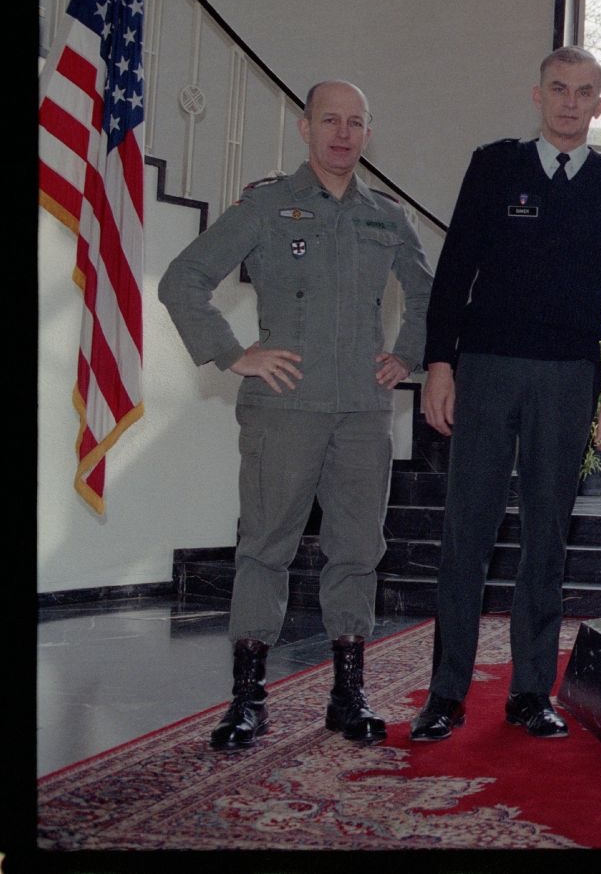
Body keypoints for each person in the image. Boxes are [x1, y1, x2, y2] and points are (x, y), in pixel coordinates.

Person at [159, 80, 433, 750]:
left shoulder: (387, 217)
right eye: (330, 120)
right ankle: (248, 698)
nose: (343, 134)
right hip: (283, 410)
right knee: (264, 548)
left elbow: (429, 292)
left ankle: (349, 693)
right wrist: (234, 354)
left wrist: (406, 358)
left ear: (370, 133)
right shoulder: (268, 207)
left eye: (356, 122)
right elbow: (183, 280)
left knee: (358, 552)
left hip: (363, 415)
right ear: (304, 127)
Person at [410, 46, 601, 742]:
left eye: (585, 92)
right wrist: (439, 365)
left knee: (547, 536)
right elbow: (453, 273)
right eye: (559, 89)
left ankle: (529, 694)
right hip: (485, 369)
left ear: (600, 104)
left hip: (570, 374)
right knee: (467, 535)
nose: (571, 102)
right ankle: (446, 695)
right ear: (537, 95)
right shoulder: (494, 166)